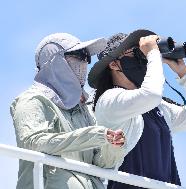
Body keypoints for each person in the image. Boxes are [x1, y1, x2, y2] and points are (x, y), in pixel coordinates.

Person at [87, 29, 186, 188]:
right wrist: (153, 53)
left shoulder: (157, 108)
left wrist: (184, 73)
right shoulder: (109, 101)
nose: (142, 59)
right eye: (135, 54)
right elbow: (151, 94)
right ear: (113, 64)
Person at [10, 33, 126, 189]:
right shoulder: (32, 99)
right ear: (54, 61)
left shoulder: (82, 110)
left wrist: (112, 146)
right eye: (79, 55)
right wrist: (94, 135)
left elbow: (100, 164)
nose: (85, 62)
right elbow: (34, 143)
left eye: (87, 58)